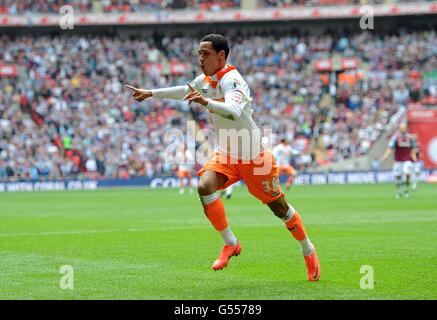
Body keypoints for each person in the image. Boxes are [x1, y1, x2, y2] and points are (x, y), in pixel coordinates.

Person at [126, 34, 320, 281]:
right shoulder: (205, 80)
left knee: (279, 208)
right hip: (226, 155)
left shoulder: (234, 81)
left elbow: (233, 111)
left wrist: (206, 102)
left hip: (254, 157)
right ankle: (231, 243)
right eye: (199, 53)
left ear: (221, 55)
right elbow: (183, 90)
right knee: (204, 186)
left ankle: (308, 250)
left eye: (205, 53)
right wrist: (150, 93)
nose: (200, 58)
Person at [380, 123, 417, 198]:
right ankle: (399, 191)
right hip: (398, 160)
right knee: (398, 176)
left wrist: (414, 156)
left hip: (407, 159)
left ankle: (406, 190)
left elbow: (413, 148)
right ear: (399, 128)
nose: (403, 129)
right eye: (401, 127)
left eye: (404, 127)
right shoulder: (396, 138)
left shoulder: (410, 137)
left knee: (407, 173)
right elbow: (390, 148)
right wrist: (385, 156)